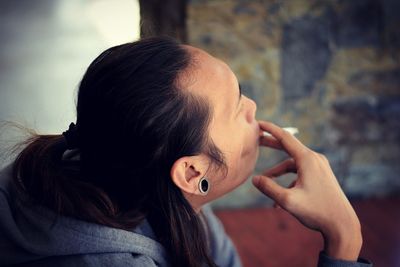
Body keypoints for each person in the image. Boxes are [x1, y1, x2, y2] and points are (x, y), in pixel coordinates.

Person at [0, 37, 372, 267]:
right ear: (192, 173)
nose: (253, 108)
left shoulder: (157, 192)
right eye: (236, 106)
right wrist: (344, 238)